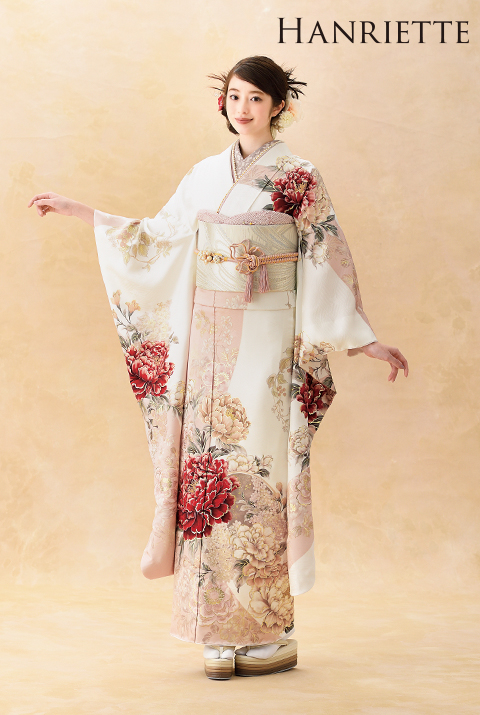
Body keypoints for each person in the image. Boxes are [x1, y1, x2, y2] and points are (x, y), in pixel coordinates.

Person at [28, 55, 409, 680]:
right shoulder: (205, 175)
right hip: (209, 339)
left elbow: (326, 256)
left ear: (279, 105)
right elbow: (158, 238)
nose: (243, 108)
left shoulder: (299, 176)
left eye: (256, 97)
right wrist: (84, 213)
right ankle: (215, 627)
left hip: (270, 339)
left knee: (258, 474)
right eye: (234, 96)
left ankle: (267, 631)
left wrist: (362, 340)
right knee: (208, 471)